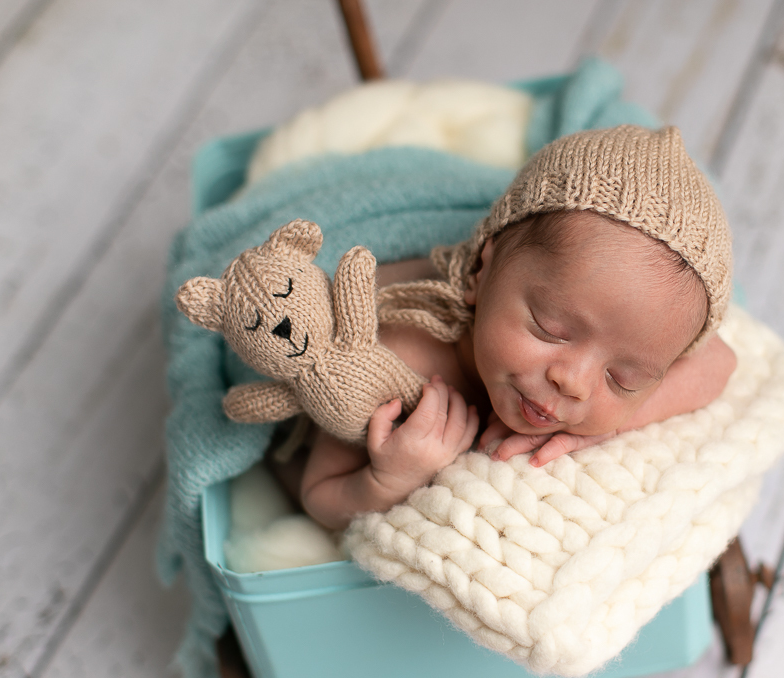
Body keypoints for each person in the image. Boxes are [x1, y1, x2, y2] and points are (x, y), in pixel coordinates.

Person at [299, 125, 738, 529]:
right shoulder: (392, 355)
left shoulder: (633, 343)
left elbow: (720, 361)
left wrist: (616, 422)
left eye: (623, 379)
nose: (573, 383)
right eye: (550, 328)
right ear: (480, 270)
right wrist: (388, 480)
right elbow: (316, 494)